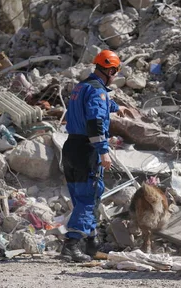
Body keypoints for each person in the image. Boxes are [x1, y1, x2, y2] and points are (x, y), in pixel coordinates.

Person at [60, 50, 121, 262]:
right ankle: (71, 245)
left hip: (70, 147)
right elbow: (95, 123)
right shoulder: (98, 92)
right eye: (115, 72)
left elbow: (92, 107)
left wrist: (116, 107)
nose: (115, 76)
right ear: (110, 70)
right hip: (87, 149)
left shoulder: (81, 87)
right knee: (88, 197)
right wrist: (104, 151)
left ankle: (91, 244)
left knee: (84, 198)